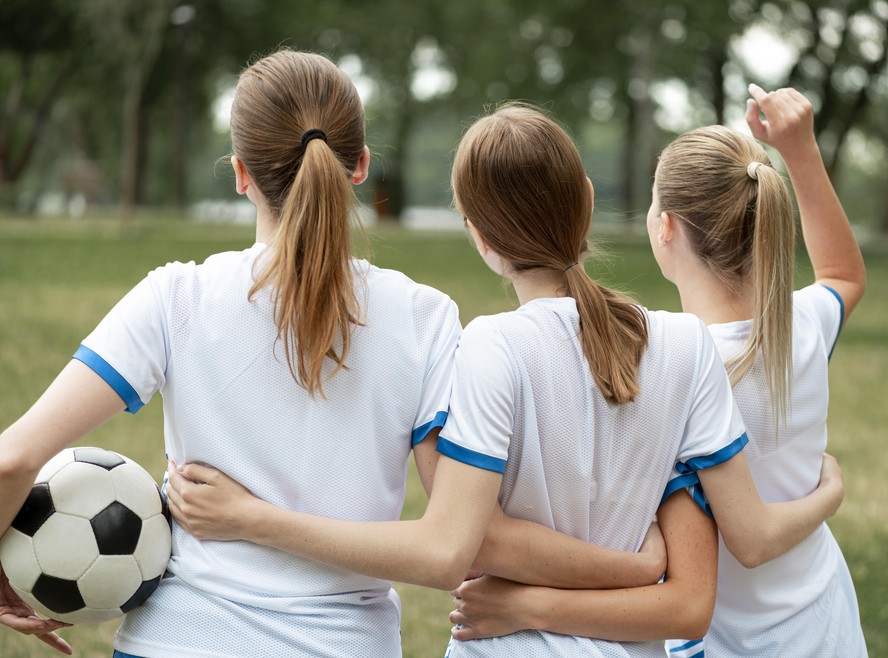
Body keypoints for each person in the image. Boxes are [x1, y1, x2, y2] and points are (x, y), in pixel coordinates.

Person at [0, 50, 665, 658]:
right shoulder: (425, 318)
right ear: (361, 165)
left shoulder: (176, 297)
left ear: (240, 174)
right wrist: (638, 565)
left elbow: (12, 459)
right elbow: (451, 546)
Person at [163, 104, 838, 657]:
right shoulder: (685, 344)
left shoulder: (488, 347)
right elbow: (691, 607)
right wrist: (635, 569)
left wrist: (251, 518)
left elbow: (461, 541)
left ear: (479, 236)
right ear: (588, 202)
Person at [447, 87, 865, 657]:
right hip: (826, 623)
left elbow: (735, 544)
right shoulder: (800, 326)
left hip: (729, 642)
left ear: (664, 226)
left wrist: (527, 604)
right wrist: (799, 150)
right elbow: (843, 274)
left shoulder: (676, 366)